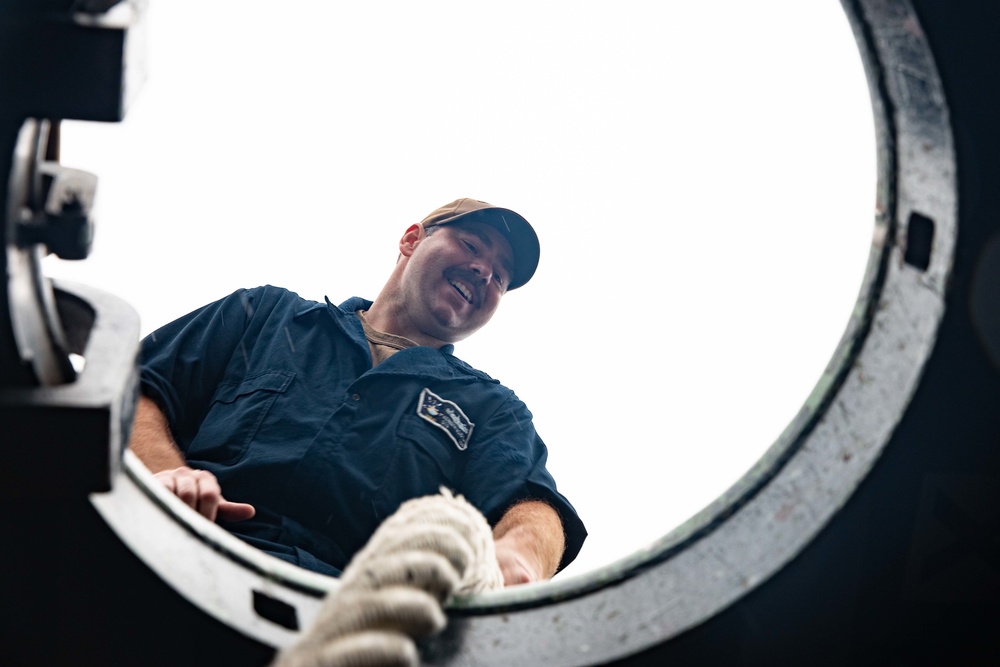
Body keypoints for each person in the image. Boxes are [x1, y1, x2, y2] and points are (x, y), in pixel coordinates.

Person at [128, 198, 586, 586]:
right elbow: (135, 387)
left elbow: (535, 506)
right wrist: (167, 472)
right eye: (471, 245)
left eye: (502, 277)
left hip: (344, 618)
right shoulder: (265, 314)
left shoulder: (493, 409)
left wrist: (517, 559)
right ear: (411, 240)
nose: (484, 272)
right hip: (175, 554)